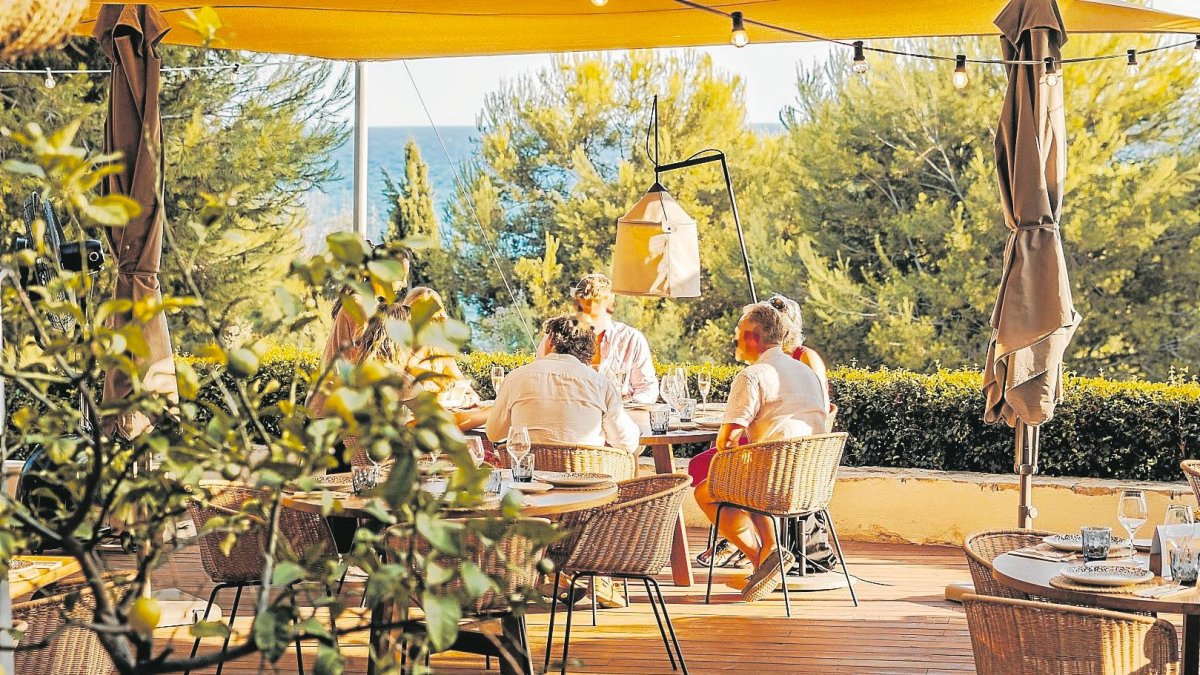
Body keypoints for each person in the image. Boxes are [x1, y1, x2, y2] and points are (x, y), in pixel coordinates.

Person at [692, 302, 830, 603]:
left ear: (753, 337)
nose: (735, 338)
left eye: (739, 332)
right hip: (813, 482)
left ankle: (763, 559)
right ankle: (769, 559)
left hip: (772, 484)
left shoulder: (753, 376)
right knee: (751, 469)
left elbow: (727, 441)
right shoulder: (806, 372)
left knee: (706, 492)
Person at [487, 315, 640, 452]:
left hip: (528, 472)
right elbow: (627, 443)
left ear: (552, 340)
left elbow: (494, 434)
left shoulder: (515, 378)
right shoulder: (601, 385)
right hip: (586, 473)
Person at [537, 273, 658, 404]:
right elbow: (539, 380)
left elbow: (648, 388)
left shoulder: (631, 339)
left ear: (610, 308)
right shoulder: (557, 337)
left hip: (620, 413)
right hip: (571, 411)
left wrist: (624, 407)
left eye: (592, 312)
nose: (585, 318)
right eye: (580, 310)